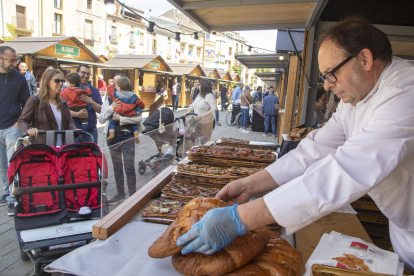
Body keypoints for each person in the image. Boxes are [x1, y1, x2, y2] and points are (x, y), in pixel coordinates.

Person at [175, 17, 414, 272]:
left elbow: (346, 170)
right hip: (403, 233)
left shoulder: (405, 93)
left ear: (365, 59)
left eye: (331, 74)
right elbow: (314, 151)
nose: (327, 85)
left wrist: (240, 219)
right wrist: (250, 184)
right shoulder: (355, 100)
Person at [99, 73, 145, 204]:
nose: (114, 84)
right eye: (113, 81)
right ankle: (120, 193)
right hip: (112, 137)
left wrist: (122, 119)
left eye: (117, 82)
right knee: (117, 166)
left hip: (127, 135)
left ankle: (133, 195)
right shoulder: (109, 98)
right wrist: (111, 108)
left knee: (129, 166)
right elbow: (101, 118)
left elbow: (139, 117)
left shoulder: (131, 97)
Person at [0, 46, 30, 215]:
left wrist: (19, 122)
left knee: (13, 163)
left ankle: (13, 198)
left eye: (15, 60)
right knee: (1, 165)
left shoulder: (19, 78)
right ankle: (6, 193)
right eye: (11, 60)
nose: (15, 63)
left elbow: (27, 102)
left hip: (12, 127)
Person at [70, 65, 102, 143]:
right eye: (83, 73)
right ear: (77, 73)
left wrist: (90, 101)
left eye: (88, 74)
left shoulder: (94, 91)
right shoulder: (68, 90)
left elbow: (100, 110)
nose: (86, 76)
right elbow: (62, 111)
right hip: (74, 131)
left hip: (91, 130)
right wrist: (77, 114)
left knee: (91, 154)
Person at [106, 76, 143, 144]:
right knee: (133, 124)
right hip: (130, 114)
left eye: (116, 86)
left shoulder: (116, 94)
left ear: (119, 87)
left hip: (118, 113)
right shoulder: (133, 95)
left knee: (112, 123)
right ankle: (136, 134)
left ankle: (111, 134)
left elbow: (110, 91)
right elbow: (140, 103)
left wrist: (110, 85)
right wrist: (142, 106)